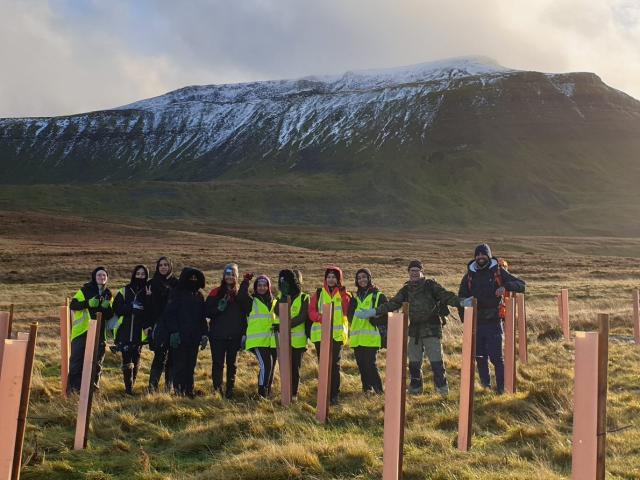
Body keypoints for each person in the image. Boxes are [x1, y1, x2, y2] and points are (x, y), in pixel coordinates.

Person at [358, 260, 469, 397]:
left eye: (417, 270)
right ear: (409, 273)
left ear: (422, 271)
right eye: (412, 271)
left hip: (432, 329)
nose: (414, 273)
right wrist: (373, 312)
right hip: (415, 331)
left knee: (436, 362)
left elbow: (446, 296)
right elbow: (393, 304)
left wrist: (463, 302)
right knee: (414, 363)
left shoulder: (431, 285)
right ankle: (415, 390)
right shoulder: (406, 289)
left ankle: (442, 391)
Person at [458, 244, 526, 394]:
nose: (480, 257)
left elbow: (522, 285)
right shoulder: (469, 276)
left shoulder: (498, 272)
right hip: (476, 323)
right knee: (480, 358)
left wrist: (506, 286)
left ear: (488, 256)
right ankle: (485, 387)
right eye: (478, 255)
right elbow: (461, 298)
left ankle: (501, 388)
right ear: (475, 257)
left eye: (483, 255)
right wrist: (465, 320)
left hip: (494, 322)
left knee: (496, 358)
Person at [160, 267, 208, 398]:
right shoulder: (177, 293)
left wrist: (204, 334)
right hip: (180, 336)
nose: (193, 281)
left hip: (194, 337)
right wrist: (174, 332)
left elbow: (202, 317)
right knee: (180, 365)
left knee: (191, 365)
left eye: (195, 279)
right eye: (190, 278)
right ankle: (179, 391)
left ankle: (189, 390)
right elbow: (169, 314)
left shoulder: (199, 296)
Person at [308, 266, 351, 405]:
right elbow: (311, 312)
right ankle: (323, 393)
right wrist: (322, 318)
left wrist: (344, 295)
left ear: (339, 279)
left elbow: (346, 311)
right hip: (321, 336)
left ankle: (334, 395)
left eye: (334, 277)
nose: (331, 279)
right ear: (325, 279)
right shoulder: (319, 294)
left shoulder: (345, 294)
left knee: (335, 366)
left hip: (337, 336)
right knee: (324, 365)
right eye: (329, 277)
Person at [68, 267, 114, 394]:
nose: (102, 278)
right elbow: (73, 305)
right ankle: (73, 390)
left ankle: (93, 389)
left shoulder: (108, 294)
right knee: (77, 361)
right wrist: (88, 303)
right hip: (82, 331)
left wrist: (106, 308)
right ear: (94, 277)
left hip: (99, 332)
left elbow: (110, 315)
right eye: (99, 275)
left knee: (97, 362)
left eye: (104, 276)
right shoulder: (85, 290)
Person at [205, 263, 247, 398]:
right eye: (227, 274)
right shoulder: (215, 292)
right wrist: (218, 308)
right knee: (218, 363)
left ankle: (230, 390)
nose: (230, 277)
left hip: (235, 336)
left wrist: (244, 334)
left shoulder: (240, 294)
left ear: (237, 276)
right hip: (217, 335)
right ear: (223, 276)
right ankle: (217, 390)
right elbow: (206, 312)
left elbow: (245, 316)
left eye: (232, 274)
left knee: (232, 364)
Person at [347, 268, 388, 394]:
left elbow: (386, 315)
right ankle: (367, 390)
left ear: (369, 278)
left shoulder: (378, 295)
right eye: (359, 278)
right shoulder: (355, 298)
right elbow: (350, 316)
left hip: (372, 336)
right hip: (357, 337)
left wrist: (373, 318)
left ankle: (379, 391)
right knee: (361, 365)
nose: (362, 280)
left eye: (364, 277)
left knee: (370, 365)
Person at [112, 265, 149, 395]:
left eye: (143, 274)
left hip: (140, 332)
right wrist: (131, 307)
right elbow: (116, 308)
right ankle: (128, 389)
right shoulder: (124, 290)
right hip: (125, 331)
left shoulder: (148, 290)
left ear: (146, 276)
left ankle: (132, 384)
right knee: (126, 359)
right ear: (134, 275)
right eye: (138, 273)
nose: (140, 276)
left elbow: (152, 309)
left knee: (136, 359)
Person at [239, 273, 278, 398]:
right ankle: (261, 393)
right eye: (259, 285)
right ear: (255, 287)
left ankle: (266, 391)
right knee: (266, 365)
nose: (262, 287)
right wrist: (245, 281)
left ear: (269, 287)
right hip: (257, 341)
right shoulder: (252, 302)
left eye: (265, 285)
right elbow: (241, 296)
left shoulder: (274, 302)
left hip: (270, 341)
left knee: (270, 366)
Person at [274, 269, 310, 399]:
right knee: (285, 368)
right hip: (284, 340)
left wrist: (285, 325)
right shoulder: (282, 295)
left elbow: (302, 316)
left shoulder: (305, 297)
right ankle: (285, 393)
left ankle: (293, 394)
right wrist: (283, 295)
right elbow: (277, 310)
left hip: (298, 341)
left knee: (295, 368)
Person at [146, 256, 178, 393]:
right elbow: (147, 308)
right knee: (159, 355)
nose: (163, 267)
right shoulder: (151, 283)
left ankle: (168, 388)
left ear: (170, 266)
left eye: (166, 265)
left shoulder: (177, 283)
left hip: (174, 324)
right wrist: (148, 325)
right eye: (161, 265)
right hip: (158, 324)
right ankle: (152, 387)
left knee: (172, 356)